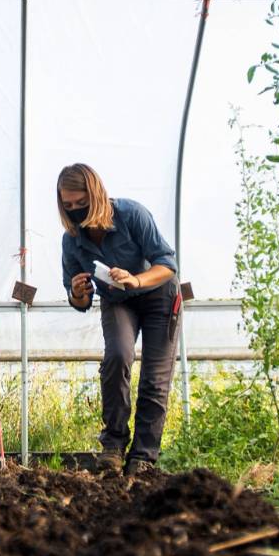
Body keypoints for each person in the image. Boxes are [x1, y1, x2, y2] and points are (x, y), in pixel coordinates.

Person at [58, 163, 179, 474]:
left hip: (158, 298)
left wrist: (136, 279)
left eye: (80, 203)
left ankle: (143, 457)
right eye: (67, 205)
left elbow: (166, 264)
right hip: (117, 301)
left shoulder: (131, 215)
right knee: (116, 357)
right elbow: (79, 301)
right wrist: (79, 291)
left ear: (95, 194)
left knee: (154, 379)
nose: (74, 211)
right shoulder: (71, 240)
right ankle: (113, 445)